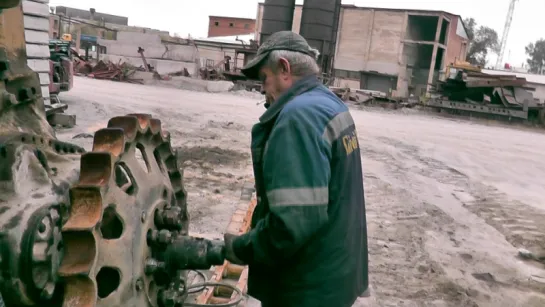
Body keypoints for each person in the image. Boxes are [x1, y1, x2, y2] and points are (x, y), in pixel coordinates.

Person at [221, 31, 369, 307]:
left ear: (284, 69)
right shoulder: (330, 103)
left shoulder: (297, 118)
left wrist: (241, 248)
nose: (263, 89)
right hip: (337, 273)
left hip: (307, 288)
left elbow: (292, 223)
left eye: (264, 78)